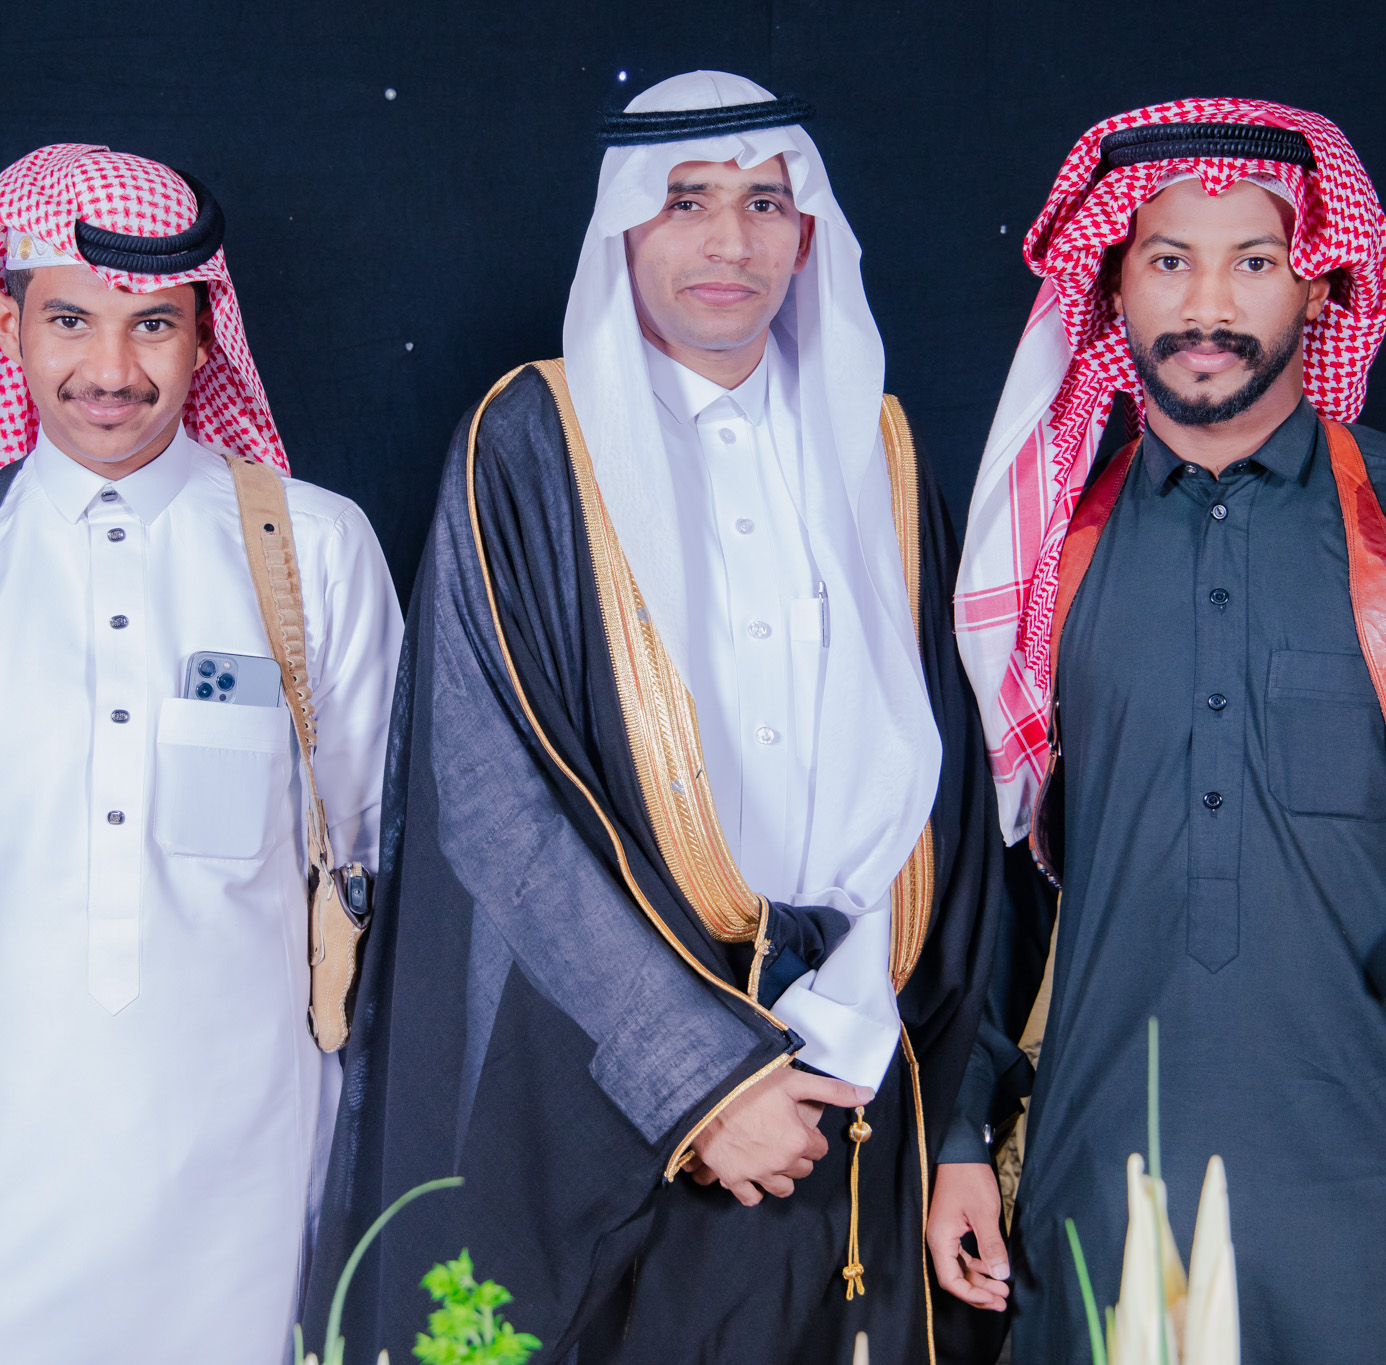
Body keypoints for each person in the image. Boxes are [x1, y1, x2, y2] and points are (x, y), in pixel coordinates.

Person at [303, 72, 1002, 1364]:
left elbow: (953, 806)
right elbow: (491, 801)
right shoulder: (529, 444)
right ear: (624, 224)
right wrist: (697, 1076)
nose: (728, 241)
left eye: (763, 203)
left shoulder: (882, 452)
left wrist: (947, 1111)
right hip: (618, 1093)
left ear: (807, 234)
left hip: (857, 1093)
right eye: (685, 201)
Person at [941, 100, 1386, 1363]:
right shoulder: (1040, 555)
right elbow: (1002, 881)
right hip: (1108, 1179)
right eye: (1167, 259)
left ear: (1318, 283)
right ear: (1112, 286)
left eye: (1253, 260)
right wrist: (958, 1132)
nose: (1207, 304)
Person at [0, 144, 402, 1364]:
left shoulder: (313, 552)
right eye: (69, 320)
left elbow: (384, 881)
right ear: (3, 325)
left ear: (204, 335)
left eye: (152, 324)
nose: (111, 371)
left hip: (257, 1203)